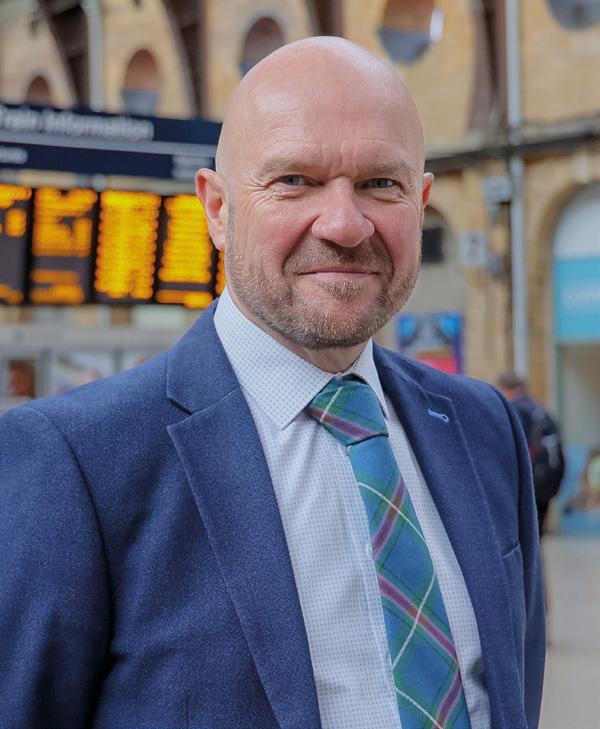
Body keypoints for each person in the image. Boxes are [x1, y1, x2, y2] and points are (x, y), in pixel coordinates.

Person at [0, 38, 544, 729]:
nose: (345, 224)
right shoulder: (76, 462)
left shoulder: (483, 426)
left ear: (422, 200)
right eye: (294, 180)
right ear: (217, 209)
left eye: (382, 183)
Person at [498, 371, 565, 537]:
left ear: (505, 389)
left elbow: (514, 445)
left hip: (532, 477)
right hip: (548, 477)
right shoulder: (538, 409)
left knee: (525, 531)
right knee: (537, 528)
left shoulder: (517, 409)